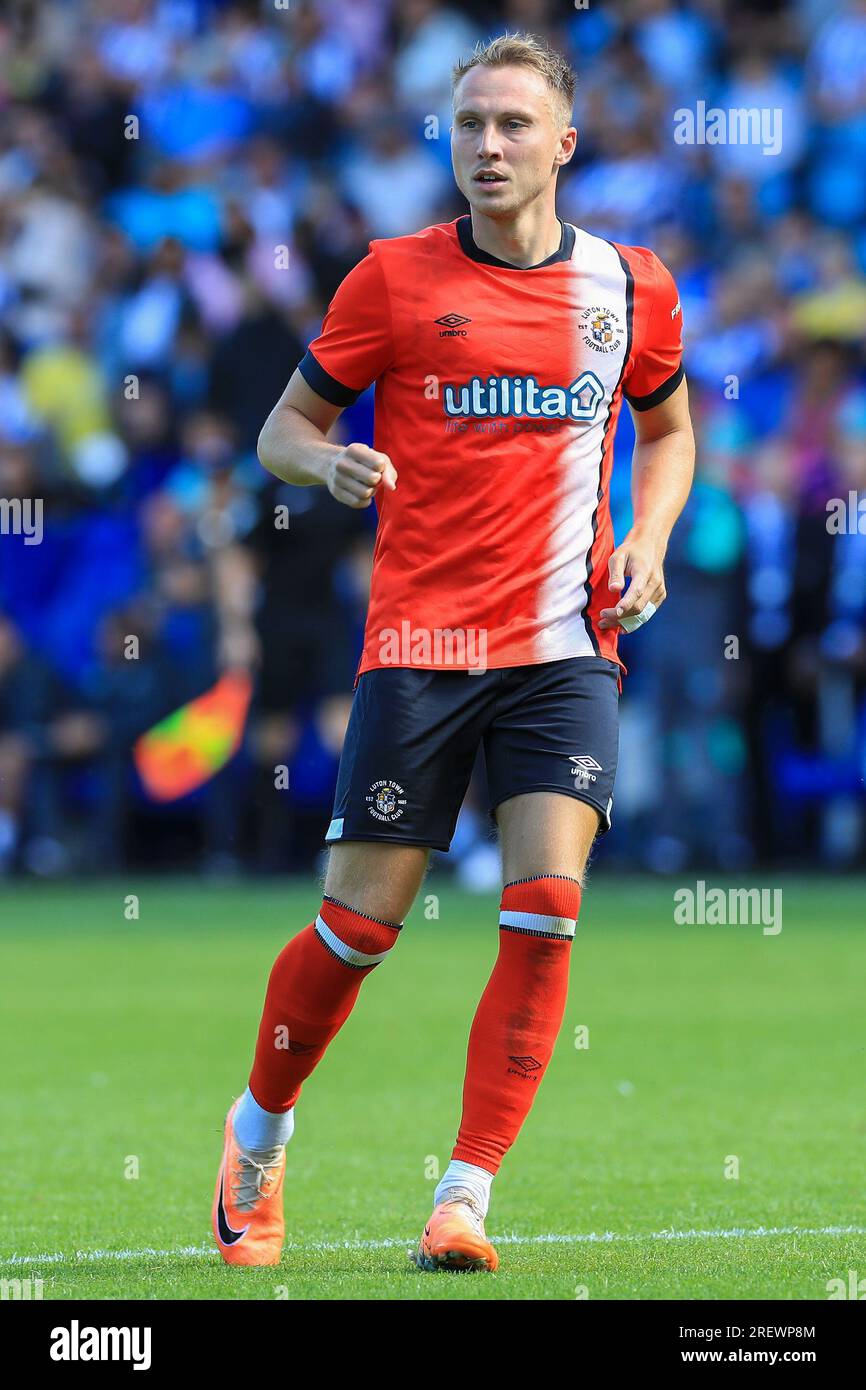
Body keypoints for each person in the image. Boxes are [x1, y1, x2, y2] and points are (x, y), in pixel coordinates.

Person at [212, 30, 695, 1273]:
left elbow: (671, 427)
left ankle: (462, 1195)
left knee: (542, 907)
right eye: (469, 123)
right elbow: (281, 428)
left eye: (512, 125)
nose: (486, 145)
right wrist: (327, 462)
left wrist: (646, 534)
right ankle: (257, 1138)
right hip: (420, 645)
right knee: (360, 930)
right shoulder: (389, 279)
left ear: (563, 144)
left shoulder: (631, 287)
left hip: (564, 644)